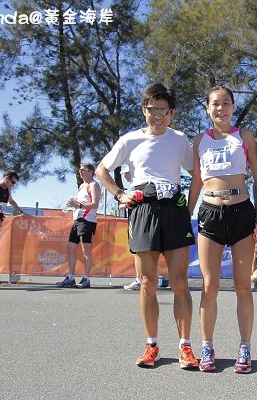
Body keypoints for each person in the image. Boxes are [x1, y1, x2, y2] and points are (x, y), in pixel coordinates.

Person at [95, 83, 199, 369]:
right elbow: (102, 170)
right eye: (152, 110)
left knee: (180, 283)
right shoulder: (129, 140)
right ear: (144, 110)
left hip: (174, 211)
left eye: (164, 110)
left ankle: (185, 347)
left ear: (172, 113)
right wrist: (119, 193)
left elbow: (197, 173)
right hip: (142, 210)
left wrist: (189, 208)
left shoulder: (180, 139)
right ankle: (151, 344)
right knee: (147, 283)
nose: (158, 116)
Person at [187, 86, 257, 374]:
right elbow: (196, 182)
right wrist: (187, 214)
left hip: (242, 212)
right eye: (214, 104)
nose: (220, 108)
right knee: (209, 287)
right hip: (209, 213)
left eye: (226, 103)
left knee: (243, 285)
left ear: (233, 107)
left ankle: (244, 347)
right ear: (207, 109)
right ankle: (207, 346)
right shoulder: (199, 140)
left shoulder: (244, 136)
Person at [56, 163, 101, 289]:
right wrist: (73, 204)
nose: (80, 172)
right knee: (70, 248)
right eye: (79, 170)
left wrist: (79, 206)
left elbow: (95, 204)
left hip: (87, 220)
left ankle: (86, 278)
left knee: (86, 250)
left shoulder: (94, 185)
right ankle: (70, 277)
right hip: (77, 220)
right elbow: (80, 202)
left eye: (83, 170)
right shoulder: (82, 186)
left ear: (91, 171)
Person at [119, 164, 142, 291]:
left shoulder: (137, 185)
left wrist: (125, 204)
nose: (125, 177)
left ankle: (140, 279)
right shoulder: (133, 186)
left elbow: (136, 201)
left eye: (126, 174)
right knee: (136, 252)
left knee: (138, 252)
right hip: (134, 220)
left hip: (138, 222)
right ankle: (141, 278)